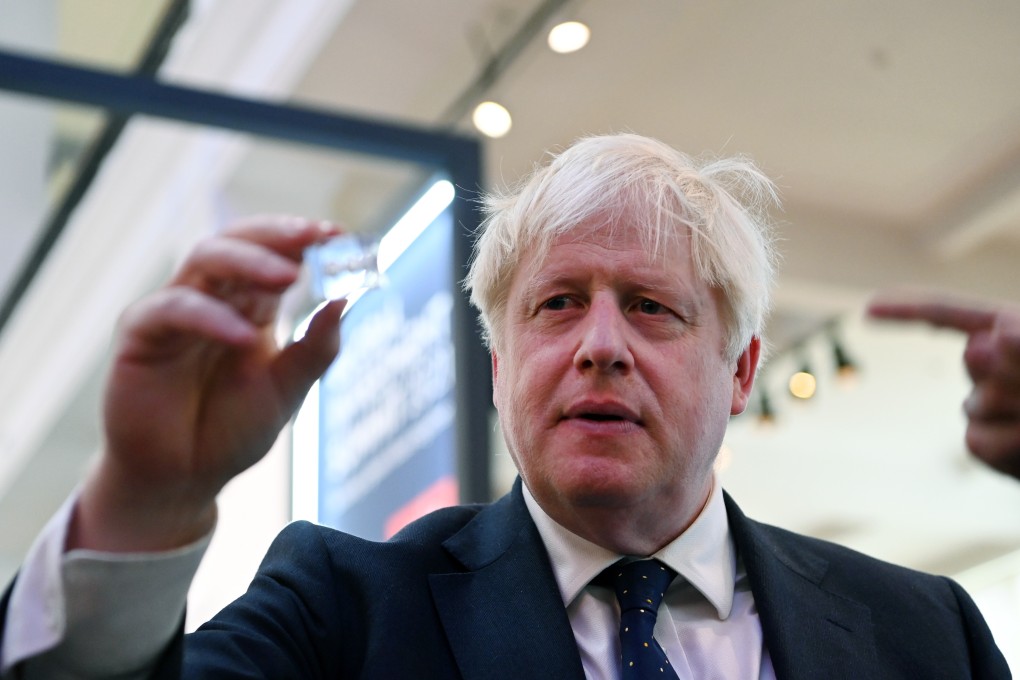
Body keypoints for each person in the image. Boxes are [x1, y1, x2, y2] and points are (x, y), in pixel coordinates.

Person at [0, 133, 1014, 678]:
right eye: (558, 303)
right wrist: (147, 500)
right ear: (499, 367)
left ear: (741, 370)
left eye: (651, 306)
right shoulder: (341, 614)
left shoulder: (925, 634)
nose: (600, 344)